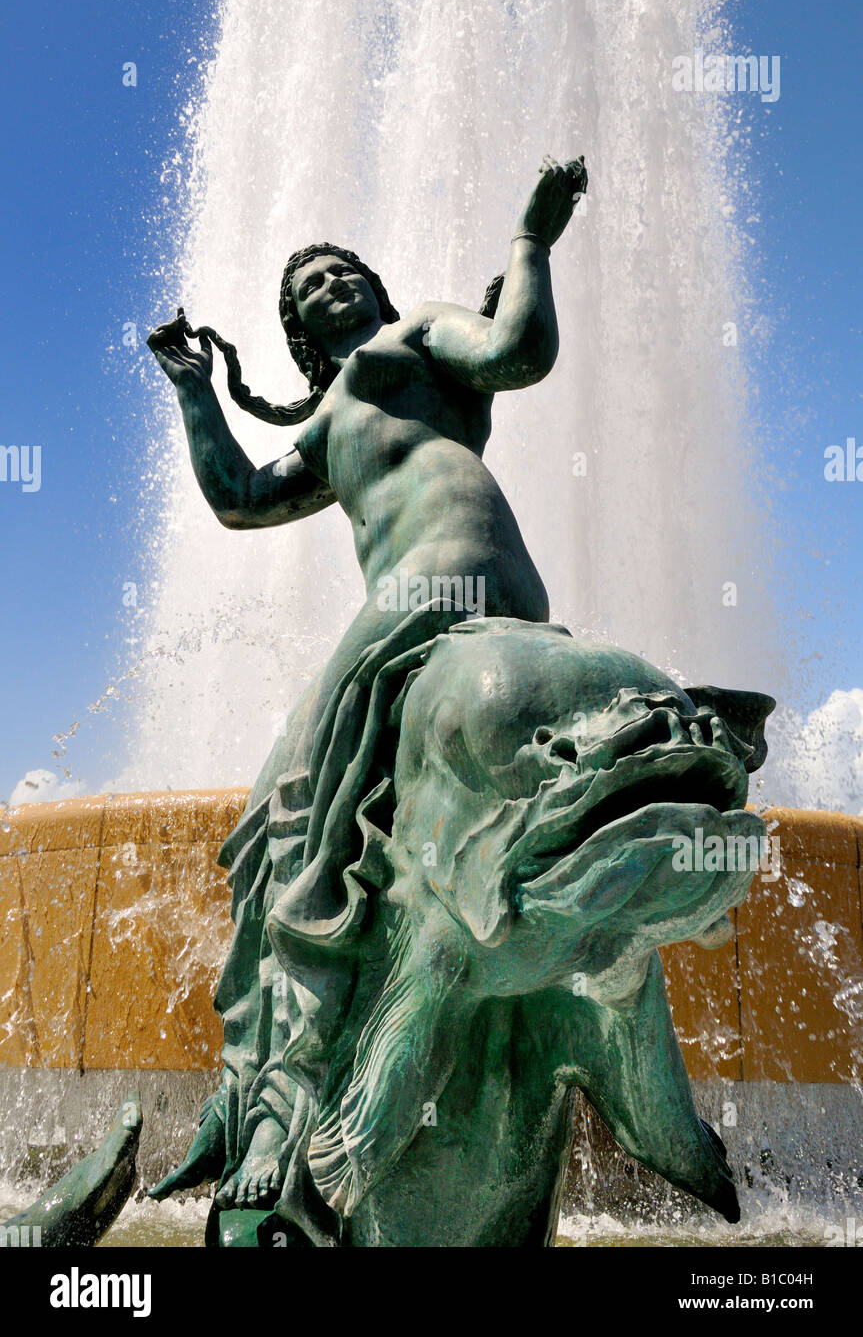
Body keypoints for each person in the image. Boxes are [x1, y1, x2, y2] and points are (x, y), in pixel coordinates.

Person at [146, 155, 588, 1233]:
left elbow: (515, 353)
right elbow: (241, 500)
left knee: (282, 821)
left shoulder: (420, 336)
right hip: (446, 602)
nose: (328, 289)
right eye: (307, 292)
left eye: (340, 274)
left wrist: (529, 241)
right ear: (298, 336)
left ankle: (275, 1104)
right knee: (317, 822)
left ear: (375, 289)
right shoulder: (335, 413)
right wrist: (198, 392)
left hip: (438, 592)